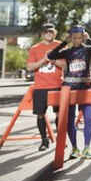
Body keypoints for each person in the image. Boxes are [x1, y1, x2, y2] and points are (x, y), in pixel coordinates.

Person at [47, 26, 91, 160]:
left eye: (80, 38)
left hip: (86, 87)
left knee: (88, 118)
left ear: (83, 37)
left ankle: (87, 148)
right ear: (70, 38)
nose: (77, 40)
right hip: (69, 88)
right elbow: (51, 56)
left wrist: (89, 40)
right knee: (70, 120)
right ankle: (74, 148)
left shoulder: (88, 49)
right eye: (74, 38)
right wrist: (64, 42)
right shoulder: (67, 51)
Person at [26, 23, 64, 151]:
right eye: (46, 31)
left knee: (59, 114)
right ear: (42, 34)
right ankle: (44, 140)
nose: (48, 33)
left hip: (57, 85)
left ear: (55, 33)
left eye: (51, 31)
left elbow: (65, 65)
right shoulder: (35, 48)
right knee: (40, 114)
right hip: (40, 86)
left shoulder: (60, 46)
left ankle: (61, 139)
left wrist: (53, 60)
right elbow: (30, 67)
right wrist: (43, 60)